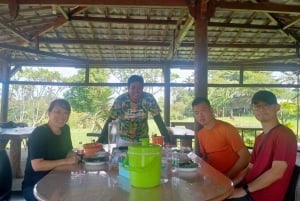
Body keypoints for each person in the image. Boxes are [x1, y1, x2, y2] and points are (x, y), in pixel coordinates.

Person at [226, 90, 297, 201]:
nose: (261, 109)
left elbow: (277, 172)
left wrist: (243, 190)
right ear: (253, 110)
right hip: (250, 190)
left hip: (262, 196)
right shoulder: (260, 138)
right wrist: (231, 184)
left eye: (267, 105)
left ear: (277, 107)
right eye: (257, 106)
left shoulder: (284, 135)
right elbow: (249, 168)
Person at [22, 99, 79, 201]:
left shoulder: (65, 129)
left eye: (66, 112)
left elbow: (69, 149)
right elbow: (37, 165)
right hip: (35, 184)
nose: (62, 116)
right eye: (57, 112)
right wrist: (66, 161)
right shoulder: (40, 133)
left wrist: (72, 155)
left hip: (58, 179)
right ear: (49, 113)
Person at [97, 75, 173, 146]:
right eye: (133, 88)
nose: (136, 91)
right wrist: (100, 141)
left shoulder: (149, 99)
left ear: (142, 88)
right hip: (123, 141)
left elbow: (158, 119)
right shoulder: (120, 100)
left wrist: (168, 140)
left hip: (143, 141)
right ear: (128, 88)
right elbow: (110, 120)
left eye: (139, 88)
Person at [192, 96, 250, 179]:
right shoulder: (201, 134)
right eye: (197, 113)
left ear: (211, 110)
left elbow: (245, 157)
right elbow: (206, 157)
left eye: (203, 111)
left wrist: (227, 176)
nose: (200, 115)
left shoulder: (227, 129)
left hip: (234, 178)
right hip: (213, 178)